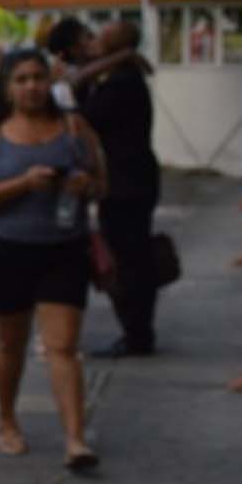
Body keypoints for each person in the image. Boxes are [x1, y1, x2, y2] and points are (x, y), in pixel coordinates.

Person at [0, 47, 106, 470]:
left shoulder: (74, 126)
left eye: (38, 78)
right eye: (21, 79)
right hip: (4, 250)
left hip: (64, 250)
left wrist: (84, 185)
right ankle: (7, 420)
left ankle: (76, 440)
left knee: (63, 346)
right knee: (11, 343)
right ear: (7, 86)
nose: (32, 87)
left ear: (51, 82)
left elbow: (102, 183)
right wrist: (25, 183)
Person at [77, 20, 162, 356]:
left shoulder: (122, 83)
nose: (93, 42)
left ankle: (138, 333)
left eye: (101, 37)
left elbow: (82, 112)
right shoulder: (121, 77)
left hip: (127, 184)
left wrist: (109, 62)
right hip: (131, 180)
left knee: (128, 259)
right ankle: (137, 330)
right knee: (129, 255)